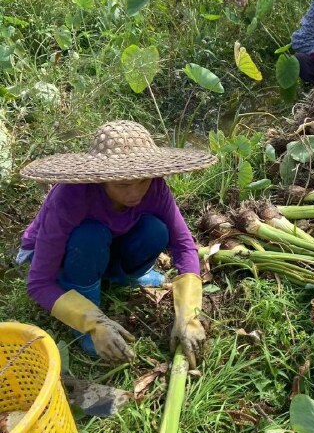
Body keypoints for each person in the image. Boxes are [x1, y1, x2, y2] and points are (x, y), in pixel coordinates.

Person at [17, 120, 217, 367]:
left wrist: (188, 316)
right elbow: (38, 283)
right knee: (90, 236)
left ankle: (122, 276)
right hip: (67, 255)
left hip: (111, 241)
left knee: (155, 230)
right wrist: (92, 323)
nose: (134, 193)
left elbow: (184, 245)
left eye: (141, 181)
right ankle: (85, 299)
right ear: (101, 179)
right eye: (122, 185)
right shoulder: (71, 196)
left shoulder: (154, 186)